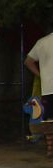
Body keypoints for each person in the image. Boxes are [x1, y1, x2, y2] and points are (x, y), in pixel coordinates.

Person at [25, 26, 53, 158]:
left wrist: (40, 75)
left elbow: (28, 61)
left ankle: (50, 148)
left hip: (48, 87)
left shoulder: (42, 42)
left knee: (49, 120)